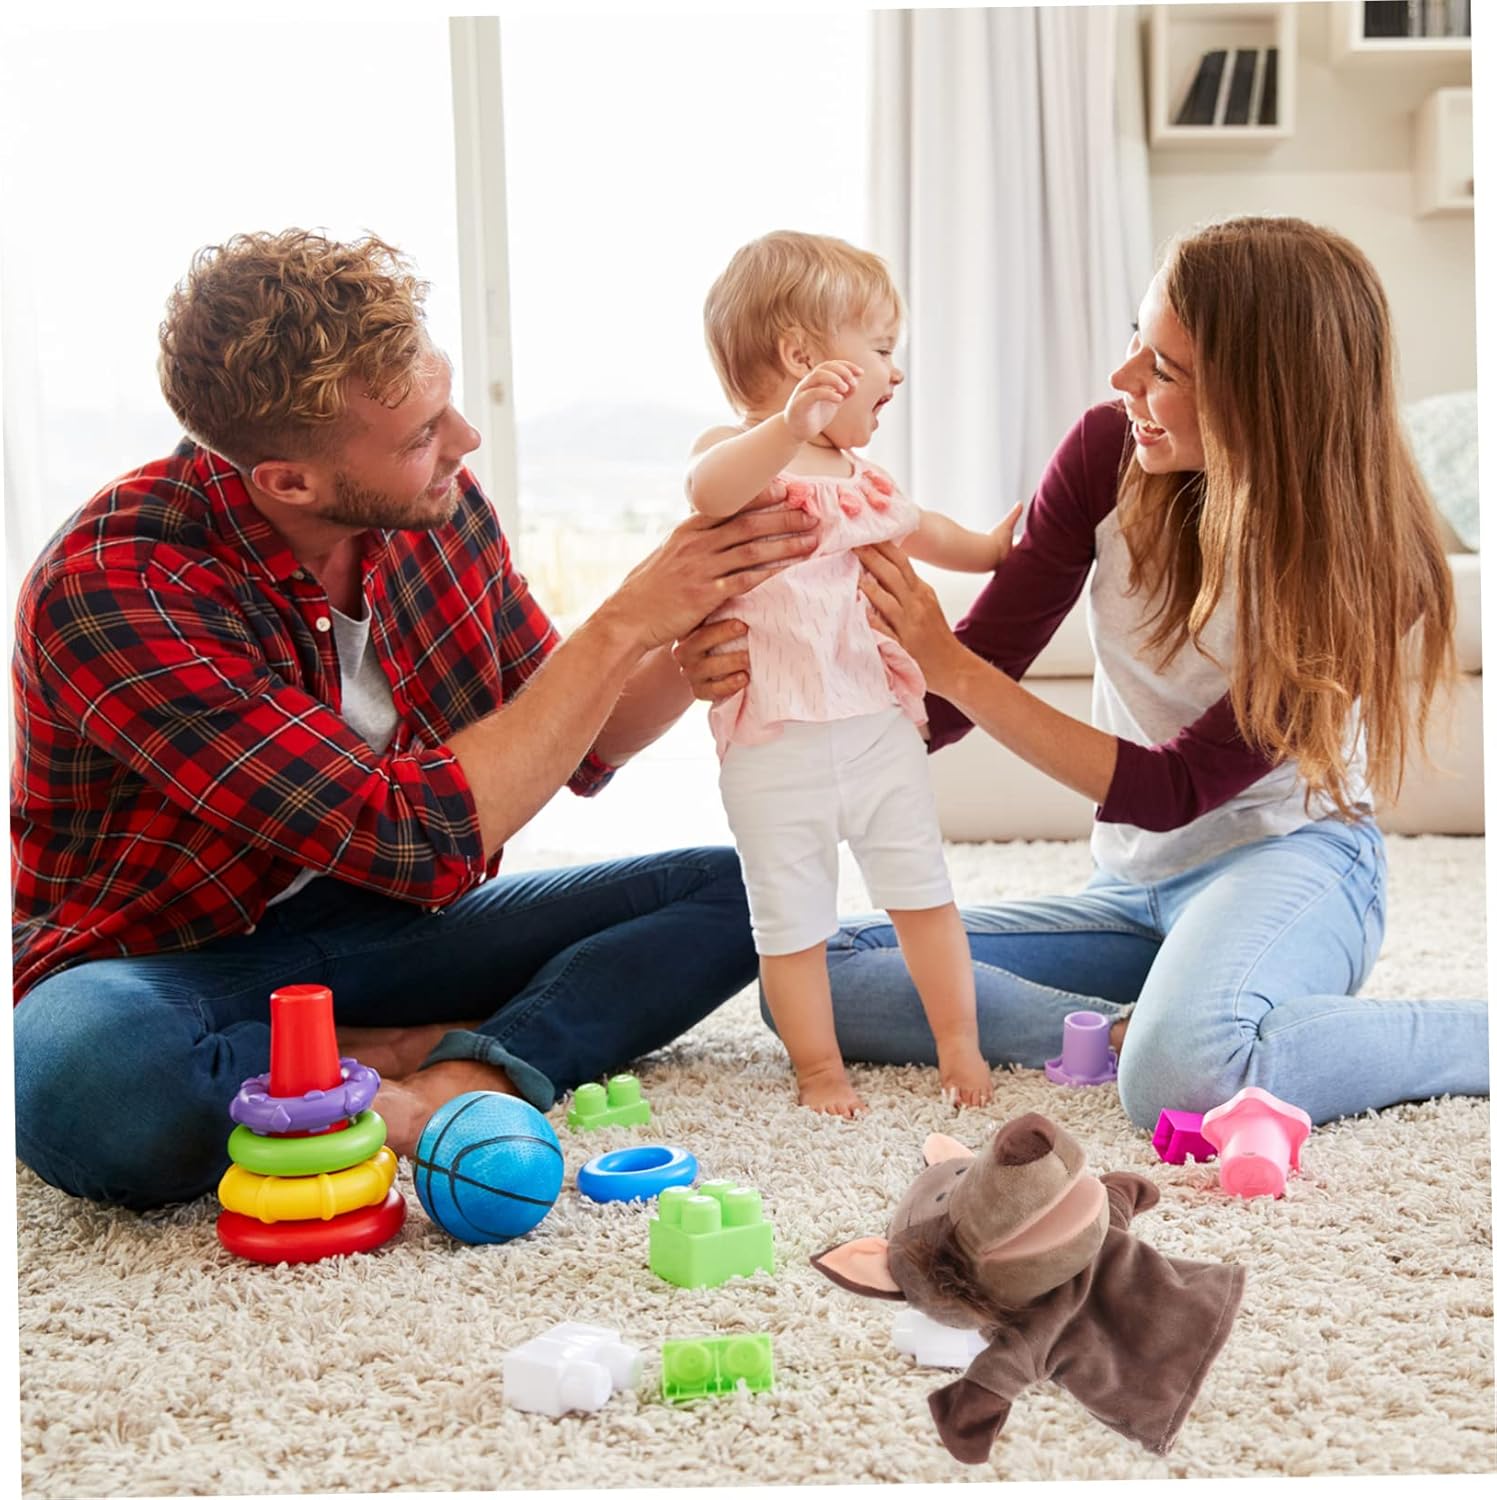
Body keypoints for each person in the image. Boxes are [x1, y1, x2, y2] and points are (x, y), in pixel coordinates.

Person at [10, 229, 822, 1211]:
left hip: (386, 934)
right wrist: (623, 624)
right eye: (421, 435)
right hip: (173, 963)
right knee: (86, 1073)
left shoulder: (433, 507)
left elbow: (576, 734)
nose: (465, 442)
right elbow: (419, 840)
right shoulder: (116, 583)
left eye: (448, 405)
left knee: (740, 888)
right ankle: (368, 1058)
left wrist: (687, 644)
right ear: (289, 481)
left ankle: (451, 1071)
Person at [678, 215, 1489, 1130]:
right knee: (817, 975)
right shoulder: (1107, 449)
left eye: (1164, 369)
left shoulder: (1369, 568)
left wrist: (942, 662)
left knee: (1180, 1083)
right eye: (1136, 339)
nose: (1122, 378)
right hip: (1132, 890)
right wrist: (786, 686)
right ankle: (1141, 1028)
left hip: (1290, 860)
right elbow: (983, 663)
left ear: (1265, 398)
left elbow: (1172, 789)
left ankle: (1435, 1034)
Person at [687, 231, 1017, 1115]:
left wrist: (991, 549)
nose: (894, 372)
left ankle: (958, 1043)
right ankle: (818, 1070)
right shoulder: (740, 456)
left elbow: (926, 529)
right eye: (879, 350)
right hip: (772, 741)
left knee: (923, 895)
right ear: (804, 360)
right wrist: (786, 428)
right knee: (790, 922)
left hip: (875, 728)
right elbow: (708, 491)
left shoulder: (863, 481)